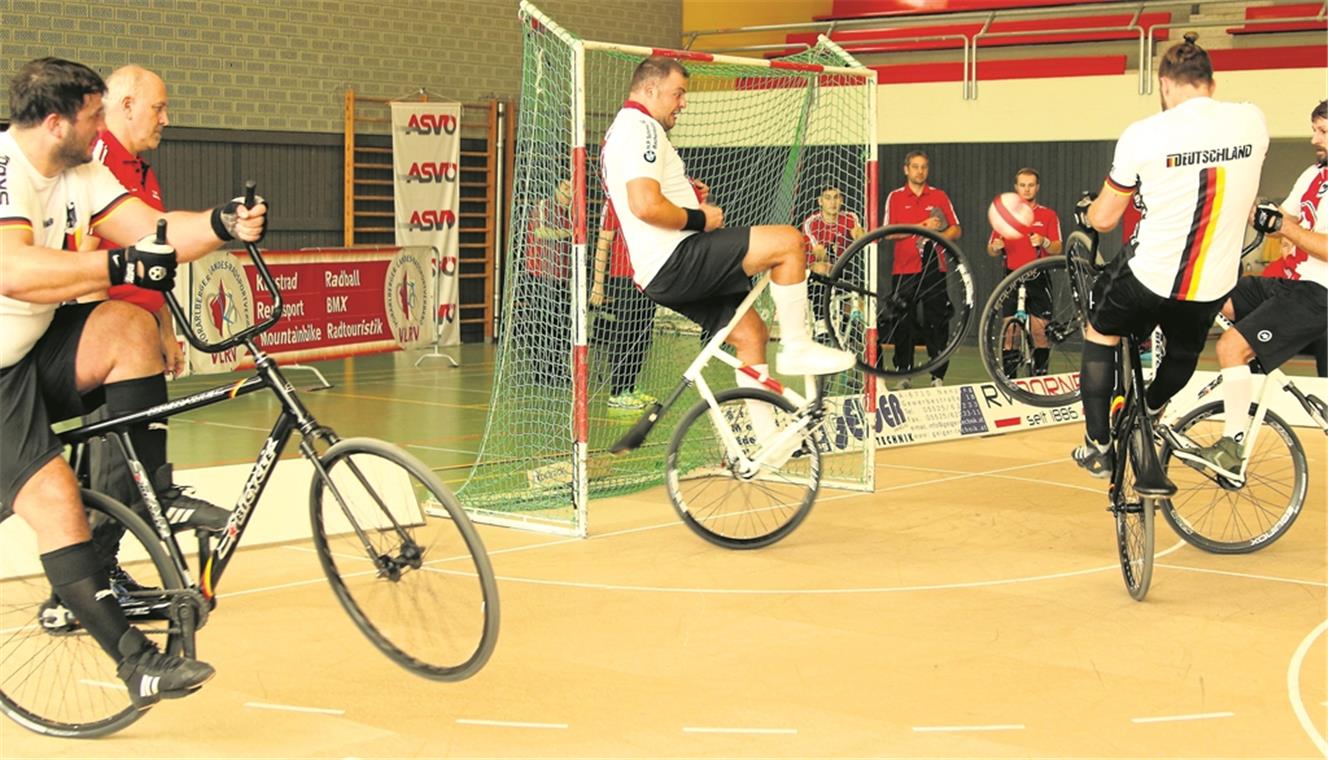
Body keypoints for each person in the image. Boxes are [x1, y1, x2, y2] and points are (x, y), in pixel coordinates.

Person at [0, 58, 267, 706]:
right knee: (57, 499)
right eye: (94, 115)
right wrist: (115, 264)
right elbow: (13, 270)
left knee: (126, 325)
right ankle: (135, 662)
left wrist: (221, 223)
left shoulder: (80, 172)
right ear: (58, 120)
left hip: (30, 349)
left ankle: (155, 490)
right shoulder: (8, 173)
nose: (101, 130)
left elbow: (151, 231)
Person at [599, 56, 855, 431]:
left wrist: (687, 194)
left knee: (751, 334)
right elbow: (644, 204)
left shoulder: (626, 130)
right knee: (789, 241)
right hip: (677, 258)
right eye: (678, 93)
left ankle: (763, 442)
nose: (683, 103)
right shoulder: (641, 128)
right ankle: (798, 345)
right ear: (650, 89)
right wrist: (701, 217)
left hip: (659, 273)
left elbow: (648, 196)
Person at [1070, 35, 1269, 478]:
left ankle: (1098, 445)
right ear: (1212, 85)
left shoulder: (1143, 134)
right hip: (1213, 283)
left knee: (1100, 331)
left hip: (1151, 276)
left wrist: (1088, 210)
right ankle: (1152, 407)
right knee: (1183, 352)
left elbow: (1104, 219)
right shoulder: (1252, 121)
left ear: (1164, 85)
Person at [80, 65, 230, 546]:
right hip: (109, 343)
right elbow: (83, 259)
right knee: (115, 472)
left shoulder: (141, 167)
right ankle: (83, 588)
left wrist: (162, 329)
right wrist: (107, 331)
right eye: (158, 107)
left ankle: (106, 574)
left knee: (140, 462)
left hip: (139, 335)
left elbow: (156, 259)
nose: (166, 118)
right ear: (125, 106)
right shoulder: (98, 160)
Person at [1173, 99, 1328, 477]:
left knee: (1230, 347)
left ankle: (1232, 450)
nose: (1313, 138)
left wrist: (1287, 230)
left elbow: (1304, 236)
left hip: (1318, 295)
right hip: (1288, 285)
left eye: (1322, 131)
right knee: (1209, 290)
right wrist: (1238, 192)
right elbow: (1286, 216)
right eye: (1314, 129)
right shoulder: (1313, 174)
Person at [590, 177, 707, 411]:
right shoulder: (615, 199)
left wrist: (701, 193)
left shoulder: (655, 196)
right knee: (627, 333)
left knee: (643, 335)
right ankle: (617, 391)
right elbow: (604, 241)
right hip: (625, 276)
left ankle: (630, 387)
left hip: (650, 272)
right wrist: (597, 285)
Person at [882, 150, 962, 388]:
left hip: (934, 269)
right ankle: (903, 372)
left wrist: (939, 238)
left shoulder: (939, 196)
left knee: (936, 320)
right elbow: (890, 233)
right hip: (904, 269)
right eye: (915, 167)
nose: (920, 171)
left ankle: (937, 375)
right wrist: (921, 227)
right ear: (906, 169)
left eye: (924, 167)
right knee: (902, 320)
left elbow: (956, 229)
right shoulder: (895, 197)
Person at [986, 167, 1063, 377]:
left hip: (1038, 276)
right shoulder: (1005, 215)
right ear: (1016, 188)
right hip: (1011, 276)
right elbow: (991, 248)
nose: (1027, 189)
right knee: (1011, 332)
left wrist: (1044, 241)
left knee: (1040, 331)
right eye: (1022, 185)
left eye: (1030, 185)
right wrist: (995, 246)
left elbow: (1058, 247)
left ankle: (1040, 377)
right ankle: (1010, 380)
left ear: (1037, 187)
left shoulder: (1048, 215)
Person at [521, 178, 574, 387]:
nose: (569, 190)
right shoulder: (544, 206)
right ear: (558, 186)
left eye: (573, 186)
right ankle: (541, 371)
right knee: (542, 324)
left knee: (560, 325)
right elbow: (540, 231)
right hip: (539, 275)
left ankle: (556, 369)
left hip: (561, 276)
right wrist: (568, 233)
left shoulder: (573, 212)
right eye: (565, 185)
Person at [801, 186, 865, 338]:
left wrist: (859, 234)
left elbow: (861, 236)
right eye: (828, 198)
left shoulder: (850, 218)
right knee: (822, 267)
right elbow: (817, 255)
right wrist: (822, 252)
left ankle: (850, 322)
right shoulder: (811, 223)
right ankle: (821, 324)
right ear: (820, 201)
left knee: (850, 270)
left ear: (841, 200)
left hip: (843, 269)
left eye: (836, 197)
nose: (832, 202)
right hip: (816, 272)